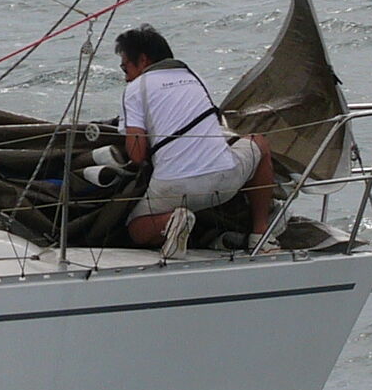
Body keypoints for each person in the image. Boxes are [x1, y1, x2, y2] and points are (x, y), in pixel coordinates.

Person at [115, 25, 275, 258]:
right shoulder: (195, 78)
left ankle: (172, 221)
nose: (125, 77)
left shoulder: (135, 89)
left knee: (136, 227)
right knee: (259, 143)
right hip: (225, 182)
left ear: (143, 60)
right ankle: (260, 234)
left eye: (125, 68)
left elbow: (137, 155)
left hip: (173, 187)